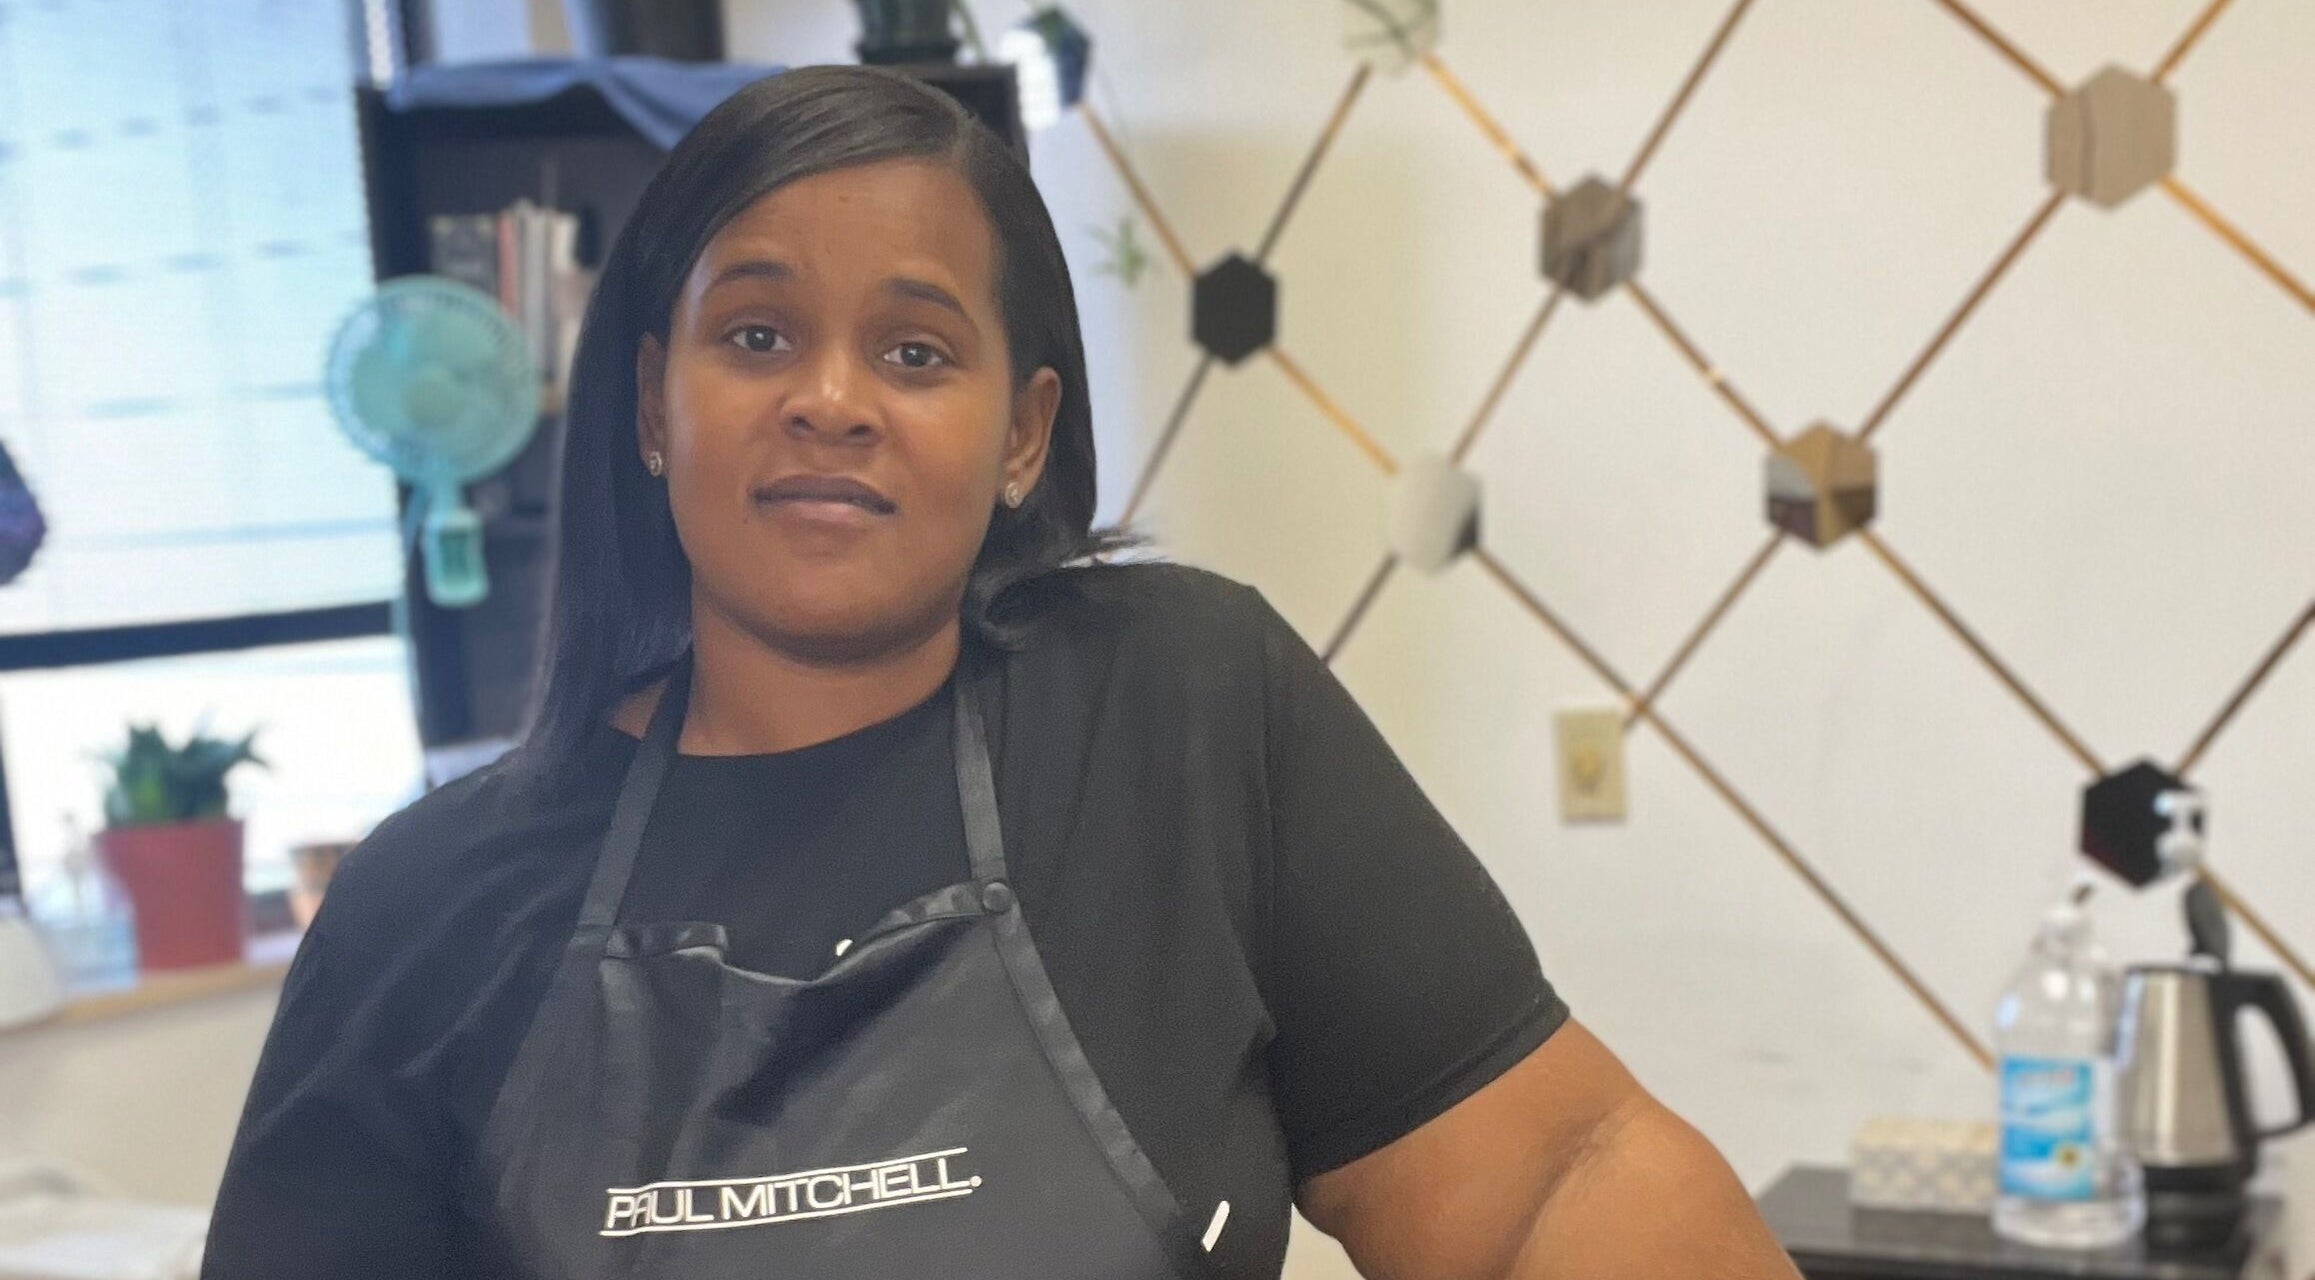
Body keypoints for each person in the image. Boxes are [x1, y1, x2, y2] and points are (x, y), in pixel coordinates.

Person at [202, 64, 1797, 1279]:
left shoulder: (1184, 715)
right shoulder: (428, 905)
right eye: (755, 336)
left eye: (915, 352)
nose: (831, 401)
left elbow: (1556, 1178)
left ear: (1024, 433)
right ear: (648, 403)